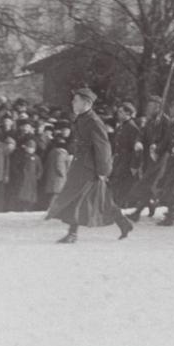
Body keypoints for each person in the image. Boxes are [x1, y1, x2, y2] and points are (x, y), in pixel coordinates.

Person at [47, 88, 133, 243]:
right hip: (81, 165)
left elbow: (103, 147)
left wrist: (103, 170)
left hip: (90, 168)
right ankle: (124, 224)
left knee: (77, 198)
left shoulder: (93, 121)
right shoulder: (81, 118)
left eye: (76, 100)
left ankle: (72, 234)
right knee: (101, 199)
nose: (73, 102)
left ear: (86, 103)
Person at [109, 102, 142, 207]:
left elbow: (136, 149)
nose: (118, 114)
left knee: (121, 183)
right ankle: (116, 204)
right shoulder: (120, 127)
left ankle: (118, 204)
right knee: (116, 181)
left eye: (121, 112)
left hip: (127, 159)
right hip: (119, 159)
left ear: (128, 113)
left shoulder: (132, 128)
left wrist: (134, 165)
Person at [43, 137, 71, 211]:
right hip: (58, 177)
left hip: (51, 176)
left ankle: (51, 207)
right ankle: (52, 208)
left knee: (53, 193)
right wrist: (64, 175)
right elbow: (59, 165)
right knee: (57, 193)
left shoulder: (52, 152)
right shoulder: (61, 153)